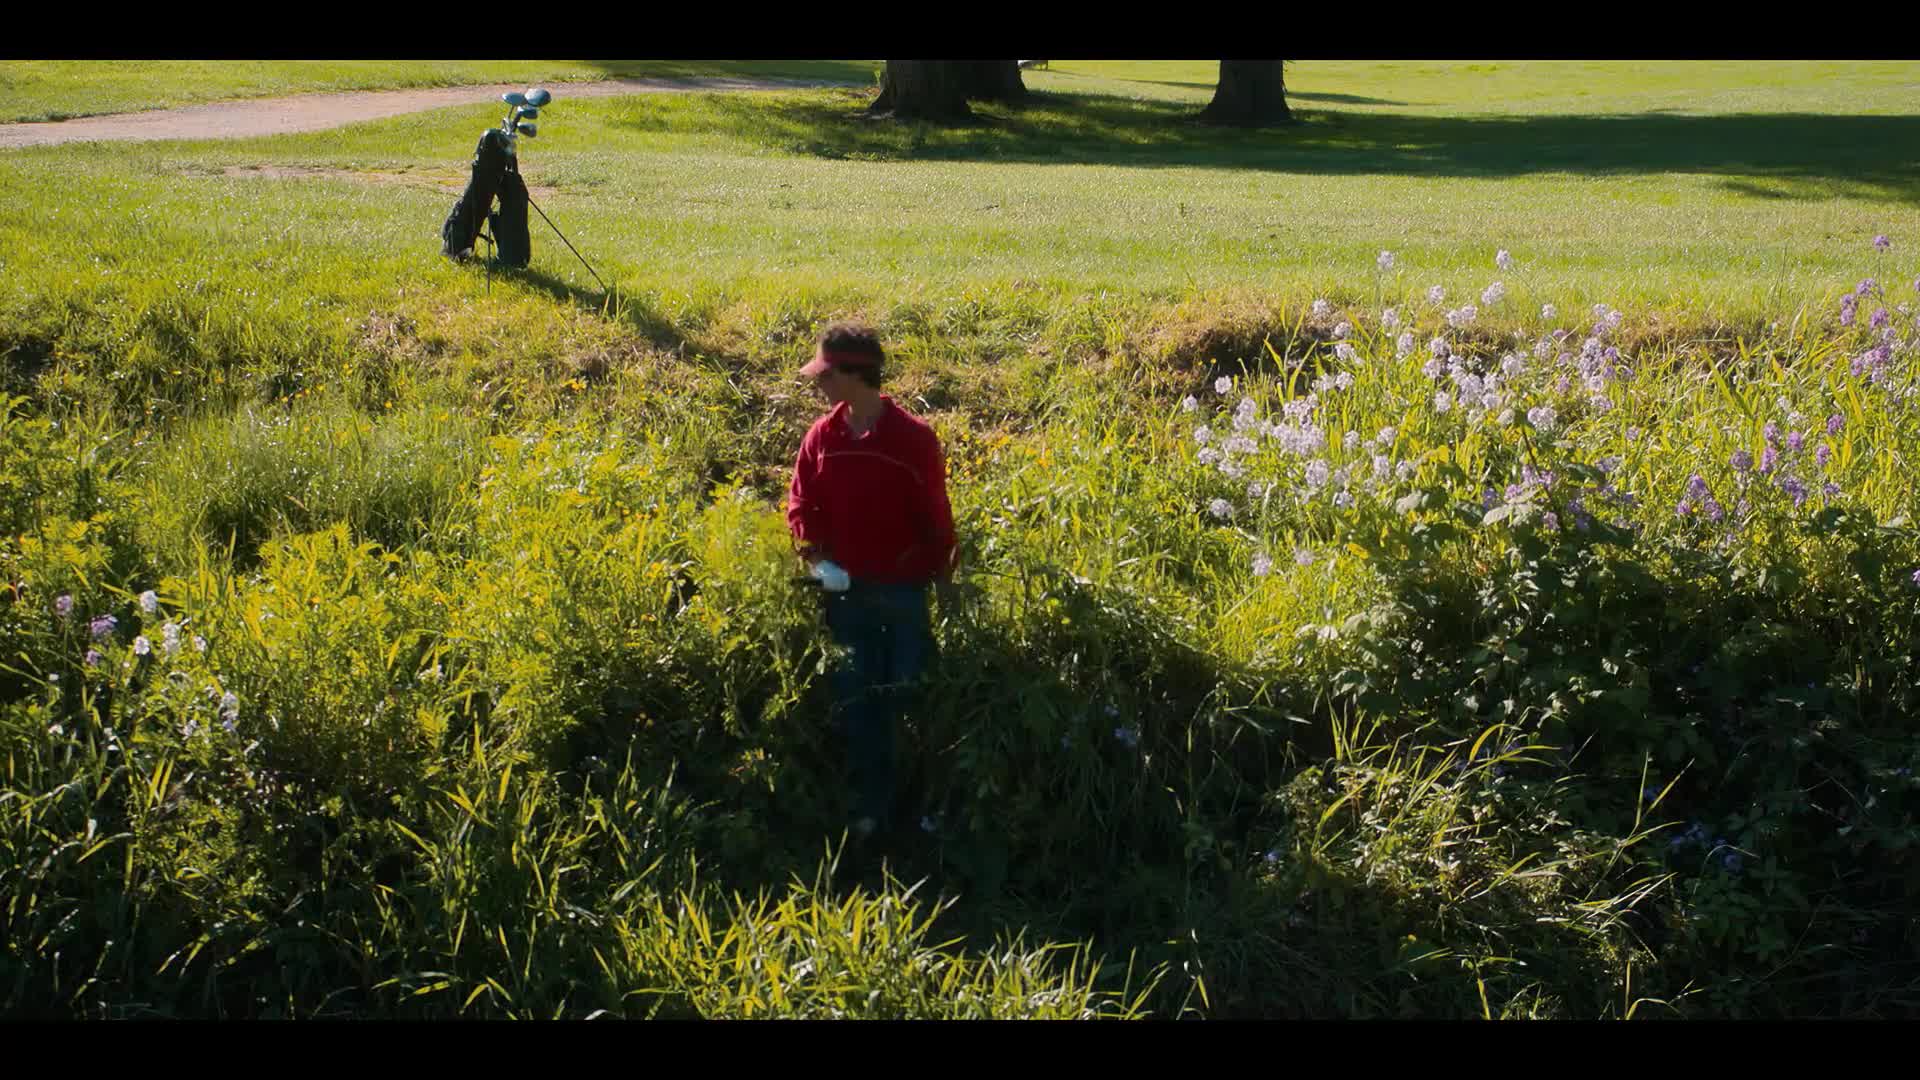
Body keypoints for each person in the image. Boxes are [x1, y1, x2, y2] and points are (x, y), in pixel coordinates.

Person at [787, 321, 957, 844]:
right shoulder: (823, 437)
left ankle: (924, 811)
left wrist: (942, 579)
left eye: (825, 374)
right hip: (846, 597)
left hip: (903, 596)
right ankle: (868, 812)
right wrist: (818, 560)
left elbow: (937, 521)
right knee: (855, 702)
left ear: (855, 375)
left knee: (909, 696)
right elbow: (801, 504)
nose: (818, 384)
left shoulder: (912, 441)